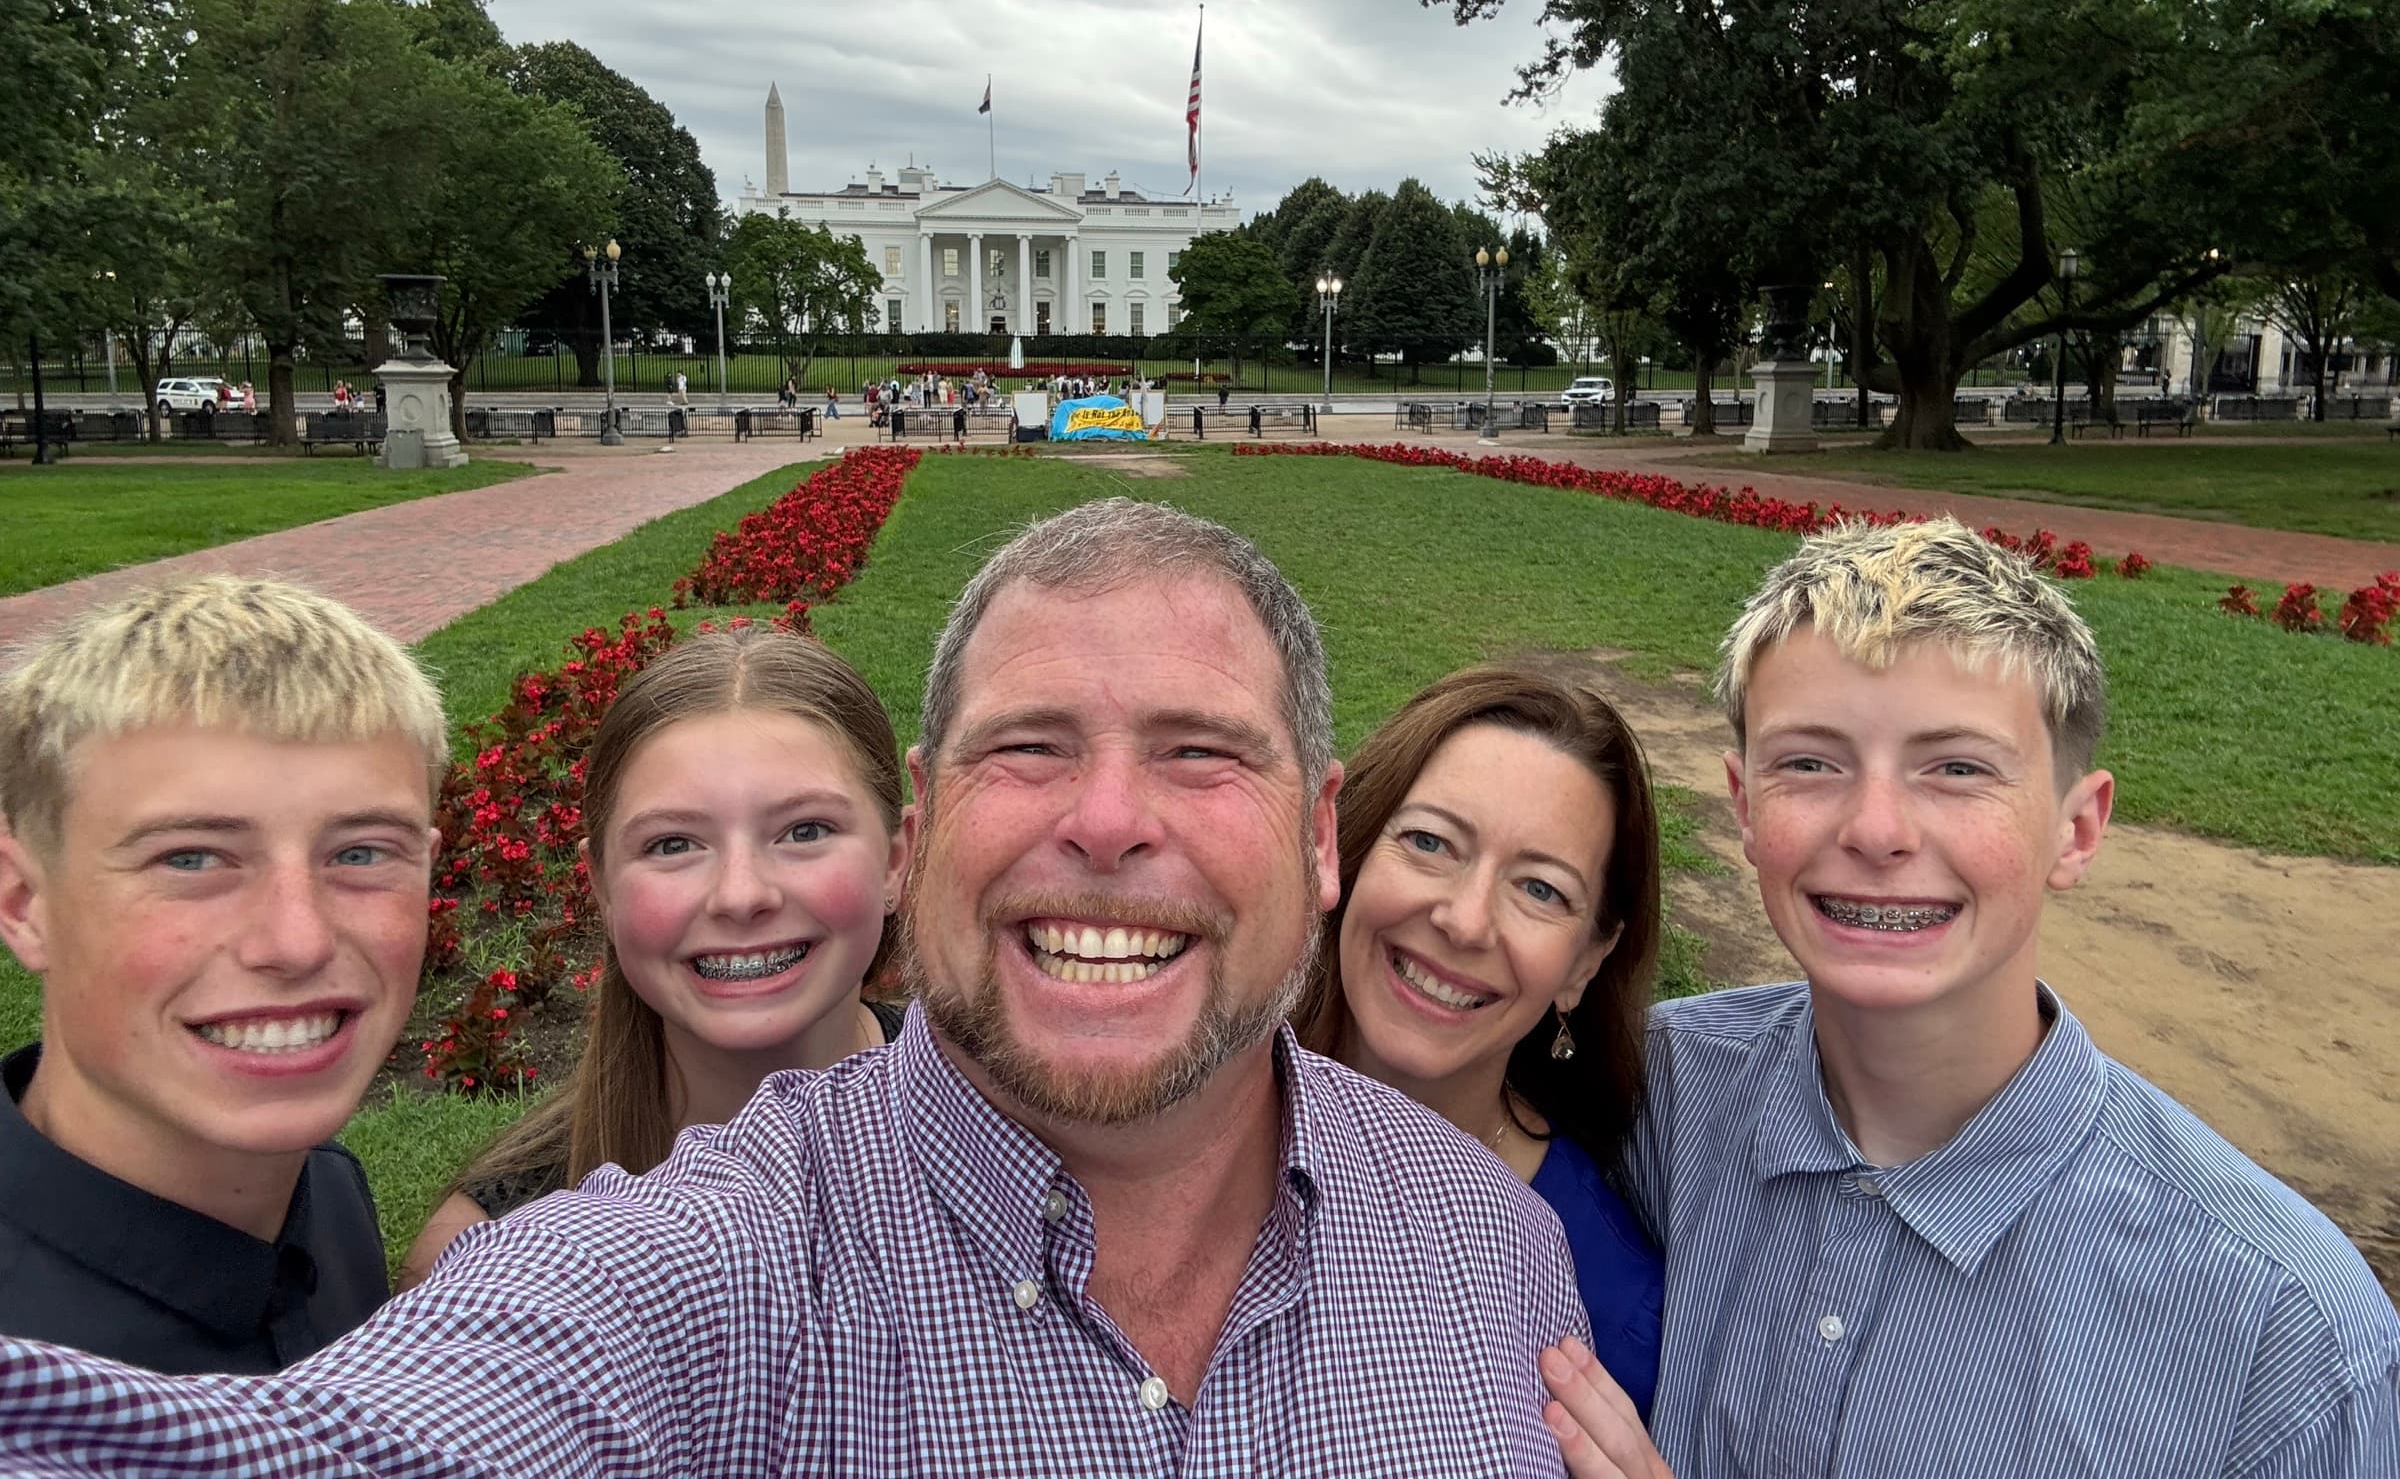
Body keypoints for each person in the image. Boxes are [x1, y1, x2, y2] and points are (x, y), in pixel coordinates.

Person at [0, 499, 1589, 1475]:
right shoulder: (701, 1265)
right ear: (928, 826)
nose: (1109, 821)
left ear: (1321, 835)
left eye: (1199, 751)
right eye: (1028, 748)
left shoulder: (1493, 1251)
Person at [1540, 518, 2400, 1479]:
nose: (1877, 829)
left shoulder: (2285, 1340)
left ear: (2077, 830)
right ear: (1744, 805)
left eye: (1957, 768)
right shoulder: (1652, 1091)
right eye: (1811, 763)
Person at [0, 575, 445, 1373]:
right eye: (192, 858)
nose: (297, 941)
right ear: (25, 903)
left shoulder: (324, 1192)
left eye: (361, 853)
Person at [399, 626, 908, 1287]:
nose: (741, 894)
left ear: (897, 861)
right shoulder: (484, 1257)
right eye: (673, 845)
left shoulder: (1023, 1131)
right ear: (602, 886)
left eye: (805, 831)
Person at [1297, 667, 1665, 1420]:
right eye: (1430, 842)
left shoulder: (1601, 1318)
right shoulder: (1179, 1097)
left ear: (1585, 964)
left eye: (1540, 889)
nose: (1465, 921)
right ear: (1353, 850)